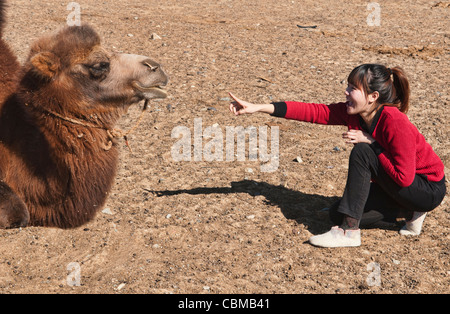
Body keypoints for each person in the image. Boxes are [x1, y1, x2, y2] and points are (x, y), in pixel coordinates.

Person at [229, 63, 446, 248]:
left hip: (426, 188)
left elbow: (404, 178)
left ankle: (349, 232)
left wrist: (372, 142)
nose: (346, 92)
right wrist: (258, 107)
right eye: (348, 86)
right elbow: (313, 112)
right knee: (336, 213)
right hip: (400, 189)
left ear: (373, 97)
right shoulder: (354, 113)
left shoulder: (394, 121)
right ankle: (409, 213)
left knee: (363, 151)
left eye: (353, 88)